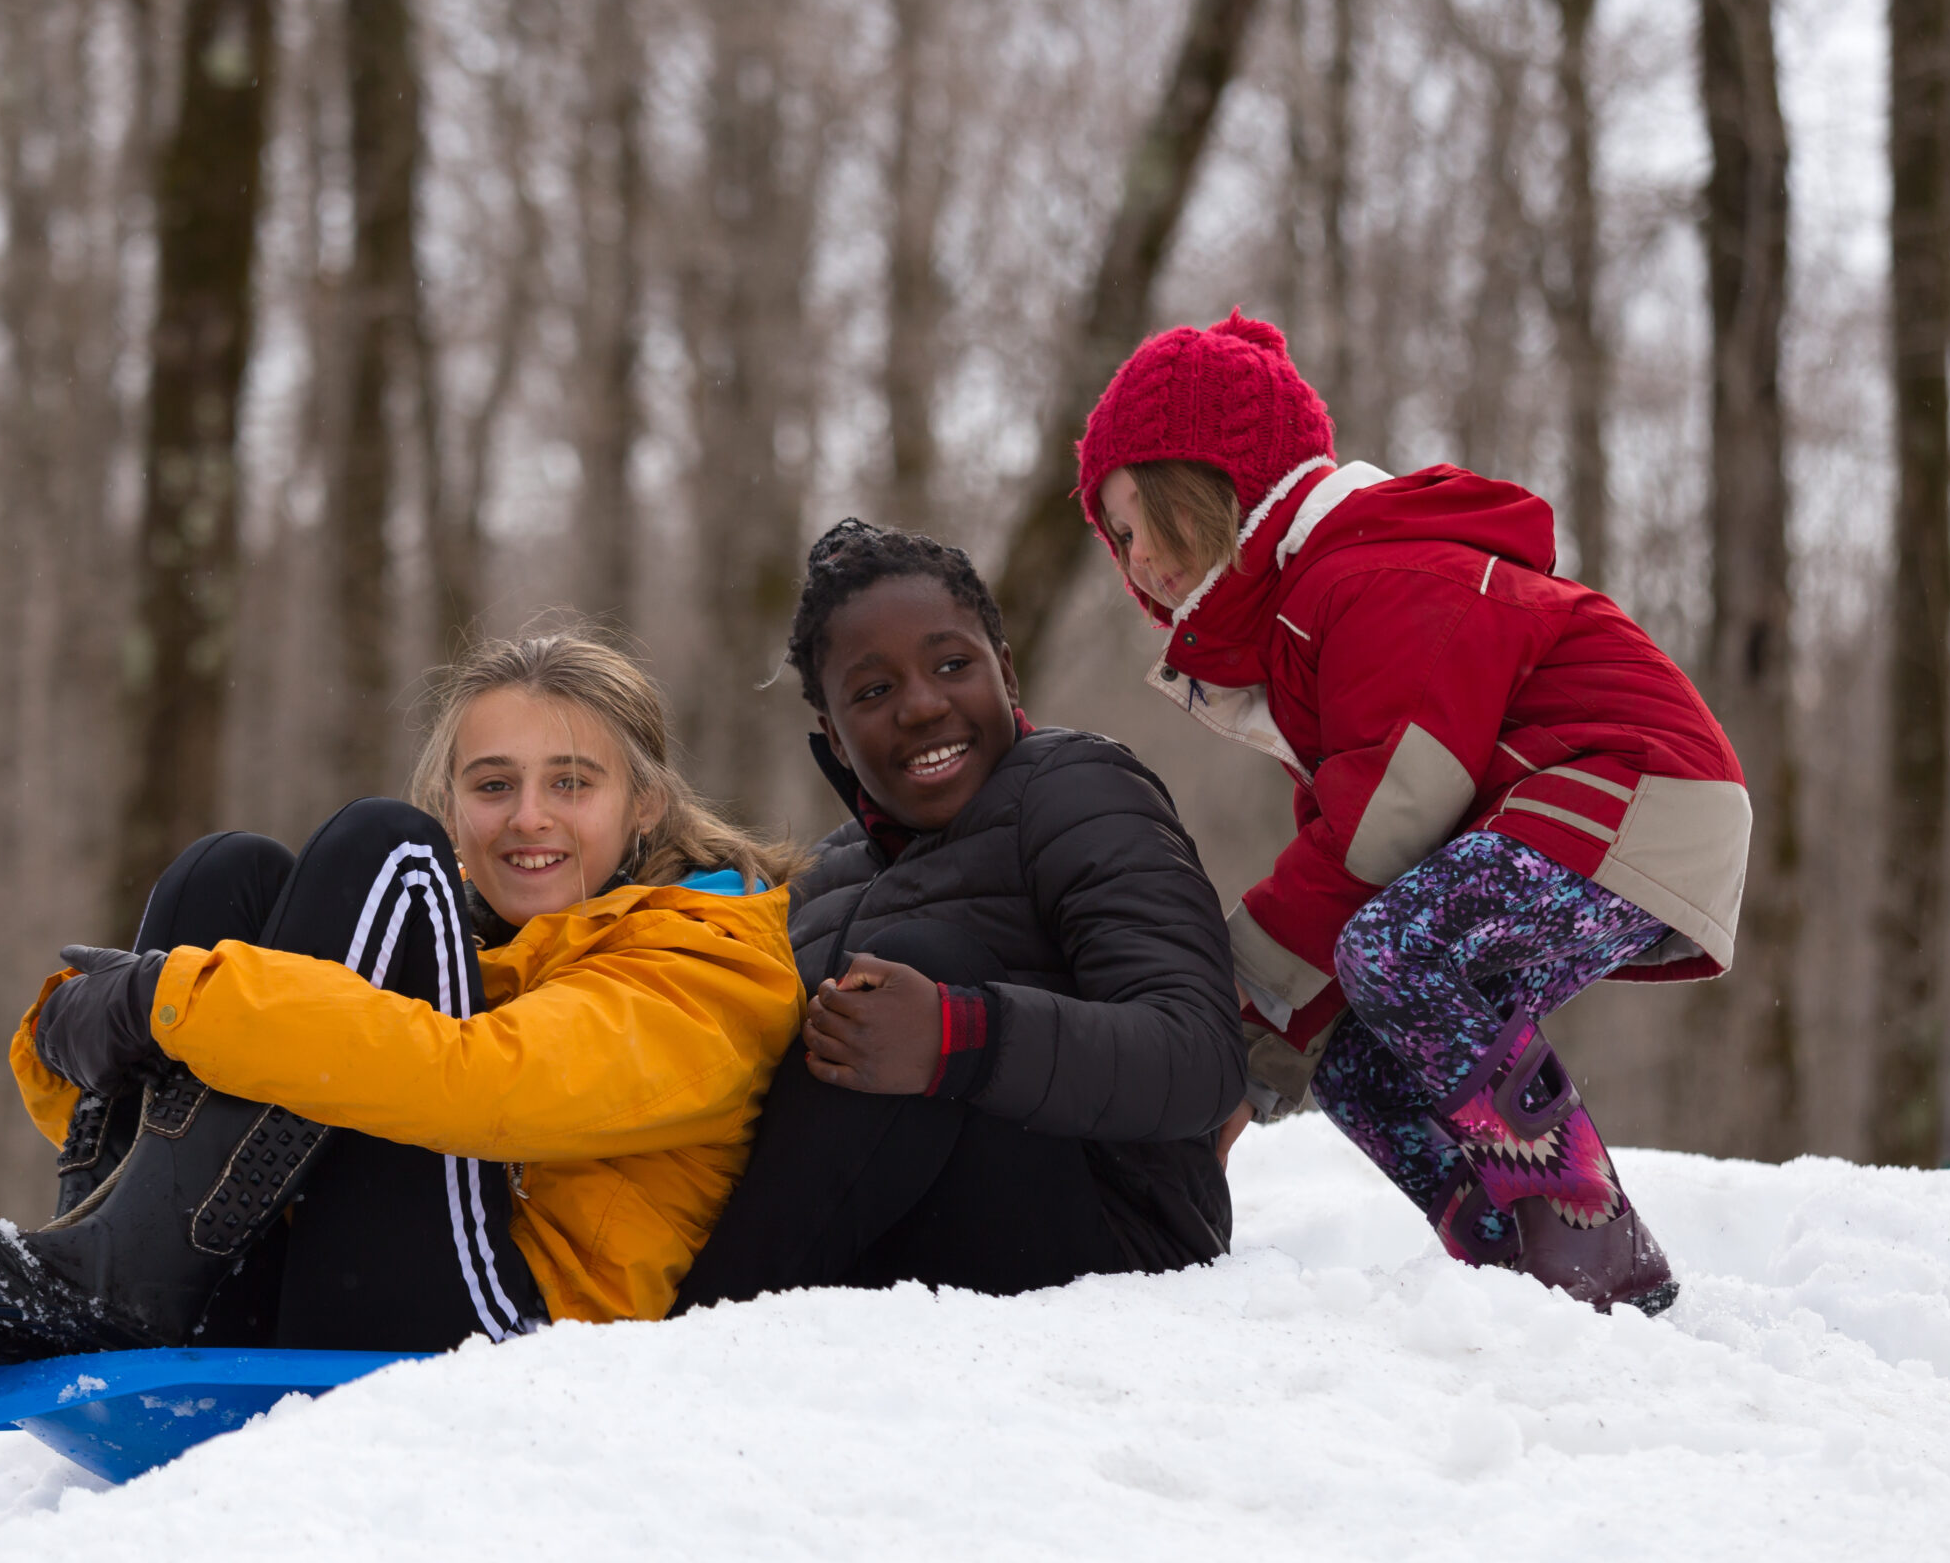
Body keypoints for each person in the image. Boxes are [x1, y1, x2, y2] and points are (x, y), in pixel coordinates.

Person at [0, 633, 806, 1366]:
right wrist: (79, 1043)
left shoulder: (708, 962)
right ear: (456, 798)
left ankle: (118, 1284)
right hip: (342, 1280)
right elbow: (242, 1125)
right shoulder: (472, 949)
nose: (528, 816)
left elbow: (488, 1086)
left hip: (515, 1336)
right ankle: (92, 1259)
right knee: (229, 875)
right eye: (493, 784)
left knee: (382, 853)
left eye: (572, 782)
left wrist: (159, 1000)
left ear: (645, 803)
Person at [1073, 310, 1753, 1314]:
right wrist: (1257, 1059)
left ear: (1212, 489)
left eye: (1137, 524)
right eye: (1114, 542)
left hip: (1624, 788)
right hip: (1565, 809)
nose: (1132, 563)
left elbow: (1383, 822)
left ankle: (1589, 1237)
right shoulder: (1306, 623)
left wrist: (1233, 1012)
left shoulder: (1365, 577)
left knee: (1394, 949)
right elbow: (1359, 850)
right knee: (1350, 1048)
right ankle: (1508, 1261)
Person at [671, 520, 1245, 1311]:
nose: (922, 705)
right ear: (835, 738)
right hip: (900, 1244)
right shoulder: (820, 883)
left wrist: (960, 1038)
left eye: (951, 664)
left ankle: (696, 1326)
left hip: (1111, 1241)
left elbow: (1203, 1055)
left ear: (1005, 673)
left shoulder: (1077, 790)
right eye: (873, 692)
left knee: (916, 962)